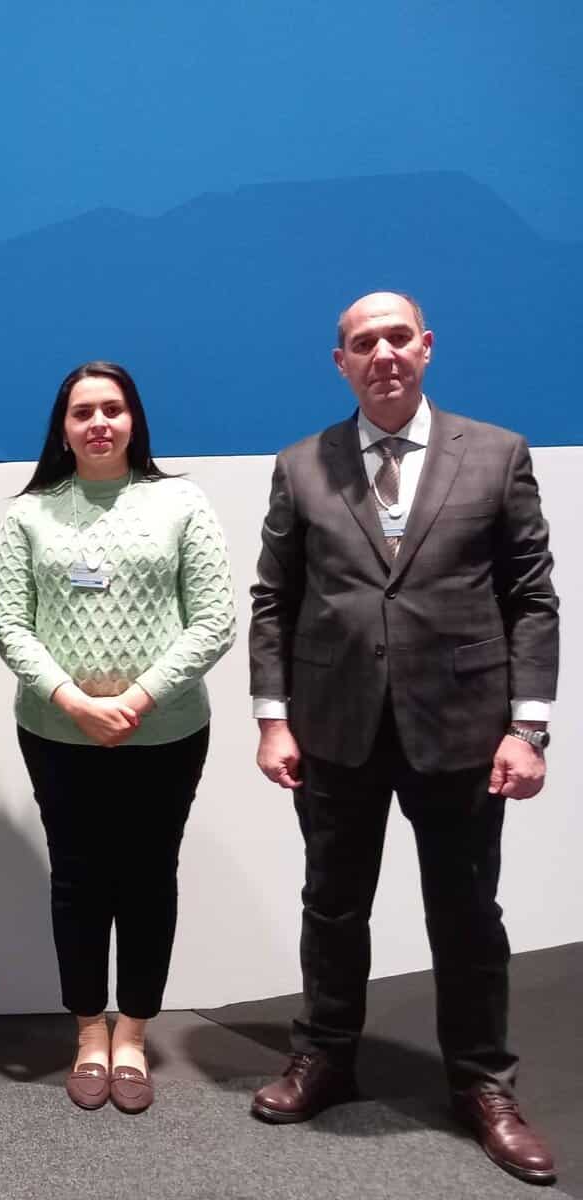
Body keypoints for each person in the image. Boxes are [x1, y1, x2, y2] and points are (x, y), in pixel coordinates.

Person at [248, 292, 559, 1186]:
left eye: (395, 338)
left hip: (462, 730)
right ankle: (325, 1057)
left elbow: (531, 598)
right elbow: (274, 600)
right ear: (339, 362)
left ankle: (483, 1084)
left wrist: (527, 728)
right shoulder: (301, 464)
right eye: (362, 343)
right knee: (332, 906)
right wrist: (273, 719)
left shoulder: (496, 453)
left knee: (466, 916)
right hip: (334, 727)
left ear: (426, 347)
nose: (381, 353)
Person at [0, 361, 234, 1114]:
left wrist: (136, 698)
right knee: (77, 879)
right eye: (82, 412)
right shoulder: (30, 514)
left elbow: (215, 620)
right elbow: (11, 627)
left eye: (112, 409)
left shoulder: (180, 503)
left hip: (166, 733)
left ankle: (133, 1033)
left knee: (149, 877)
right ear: (62, 429)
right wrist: (73, 701)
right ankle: (88, 1030)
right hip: (57, 733)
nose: (98, 423)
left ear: (134, 420)